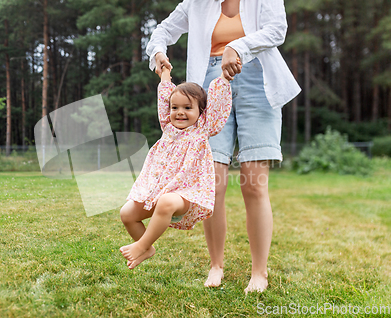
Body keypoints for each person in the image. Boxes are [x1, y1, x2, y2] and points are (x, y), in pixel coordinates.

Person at [146, 0, 301, 293]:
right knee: (212, 184)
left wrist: (238, 47)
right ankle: (216, 265)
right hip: (208, 84)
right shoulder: (196, 3)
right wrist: (158, 52)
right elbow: (163, 31)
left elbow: (277, 30)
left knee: (254, 184)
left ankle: (259, 272)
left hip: (257, 78)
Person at [119, 65, 232, 270]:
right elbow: (164, 98)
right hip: (158, 192)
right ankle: (147, 248)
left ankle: (141, 245)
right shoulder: (167, 128)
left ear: (201, 111)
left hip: (186, 194)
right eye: (175, 108)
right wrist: (164, 74)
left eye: (187, 108)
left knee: (166, 202)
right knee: (127, 213)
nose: (180, 113)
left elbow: (218, 105)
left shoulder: (202, 129)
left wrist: (224, 79)